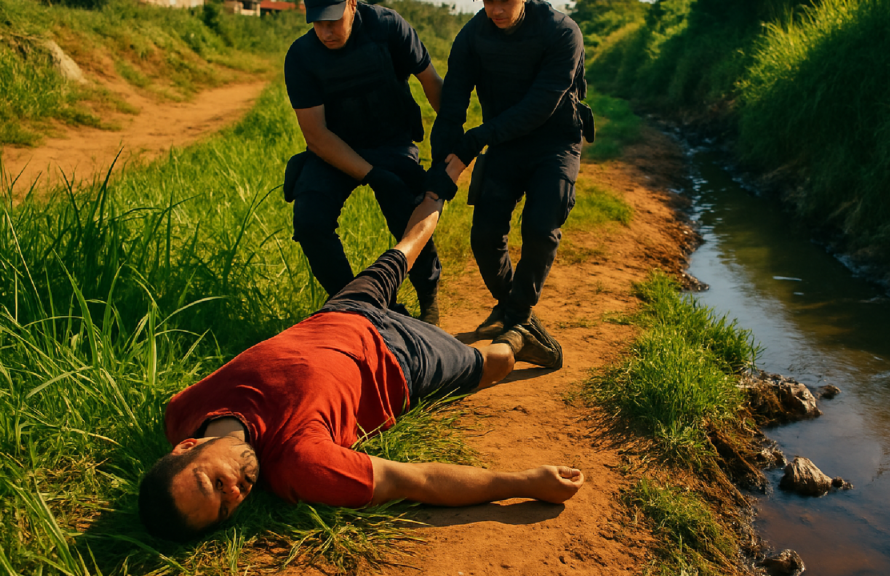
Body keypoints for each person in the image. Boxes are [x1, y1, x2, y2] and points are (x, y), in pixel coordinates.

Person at [137, 192, 585, 542]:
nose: (235, 491)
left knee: (407, 244)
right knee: (494, 362)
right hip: (402, 358)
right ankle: (519, 334)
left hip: (340, 313)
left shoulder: (181, 411)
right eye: (225, 509)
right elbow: (419, 480)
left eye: (213, 482)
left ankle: (446, 169)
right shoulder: (300, 465)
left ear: (185, 448)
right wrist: (524, 482)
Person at [426, 0, 591, 366]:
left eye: (505, 0)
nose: (496, 9)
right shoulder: (472, 36)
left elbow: (539, 105)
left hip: (555, 143)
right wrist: (442, 163)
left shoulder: (562, 32)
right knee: (484, 236)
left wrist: (474, 140)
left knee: (540, 227)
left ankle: (518, 316)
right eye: (488, 0)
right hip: (504, 145)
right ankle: (516, 313)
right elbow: (453, 104)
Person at [283, 0, 444, 324]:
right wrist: (372, 175)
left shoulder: (387, 27)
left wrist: (453, 140)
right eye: (317, 22)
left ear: (352, 4)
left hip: (392, 141)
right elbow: (316, 134)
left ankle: (429, 300)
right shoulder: (302, 56)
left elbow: (431, 81)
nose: (325, 31)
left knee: (407, 210)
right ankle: (357, 306)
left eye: (333, 20)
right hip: (335, 149)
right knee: (310, 220)